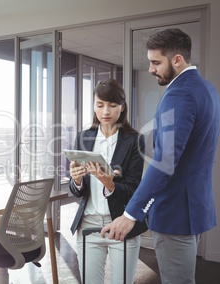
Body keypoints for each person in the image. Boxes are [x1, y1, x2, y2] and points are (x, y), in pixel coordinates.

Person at [101, 28, 220, 284]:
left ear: (177, 60)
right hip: (192, 206)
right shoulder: (206, 89)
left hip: (174, 211)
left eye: (156, 62)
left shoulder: (180, 94)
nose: (150, 69)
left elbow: (165, 161)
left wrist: (130, 214)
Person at [69, 78, 148, 284]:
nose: (105, 111)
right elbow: (77, 190)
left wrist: (109, 184)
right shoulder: (83, 137)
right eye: (100, 105)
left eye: (112, 106)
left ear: (122, 108)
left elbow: (133, 189)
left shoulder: (134, 140)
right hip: (88, 224)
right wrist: (76, 181)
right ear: (94, 106)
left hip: (120, 226)